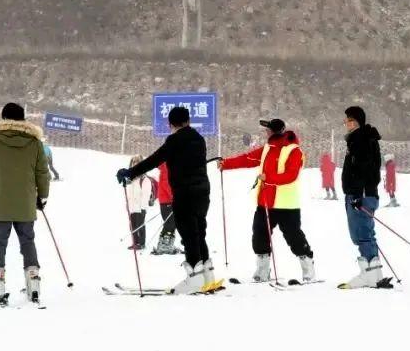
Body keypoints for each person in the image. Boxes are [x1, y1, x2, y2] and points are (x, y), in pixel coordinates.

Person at [117, 106, 214, 294]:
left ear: (170, 124)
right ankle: (207, 274)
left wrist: (130, 173)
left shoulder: (174, 140)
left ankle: (195, 277)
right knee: (199, 231)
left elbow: (154, 159)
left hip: (184, 193)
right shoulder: (199, 139)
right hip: (203, 192)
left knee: (189, 234)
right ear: (188, 121)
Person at [219, 119, 315, 283]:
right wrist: (226, 164)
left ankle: (308, 268)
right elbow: (248, 159)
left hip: (286, 204)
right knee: (259, 235)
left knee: (293, 237)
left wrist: (268, 178)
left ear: (275, 132)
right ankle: (263, 270)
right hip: (265, 201)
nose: (266, 132)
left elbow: (291, 175)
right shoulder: (267, 149)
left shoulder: (294, 151)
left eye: (268, 130)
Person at [0, 102, 51, 305]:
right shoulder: (35, 142)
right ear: (23, 120)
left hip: (1, 202)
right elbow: (43, 172)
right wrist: (42, 196)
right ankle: (33, 284)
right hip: (26, 202)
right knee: (28, 241)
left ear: (4, 118)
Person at [340, 106, 385, 288]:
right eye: (345, 120)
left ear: (357, 121)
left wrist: (358, 194)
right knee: (366, 233)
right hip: (364, 193)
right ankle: (375, 273)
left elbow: (364, 169)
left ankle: (369, 275)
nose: (346, 124)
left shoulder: (360, 140)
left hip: (361, 194)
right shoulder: (362, 139)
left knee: (361, 234)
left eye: (349, 120)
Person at [124, 155, 155, 251]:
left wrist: (143, 208)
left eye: (137, 162)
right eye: (133, 162)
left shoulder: (145, 179)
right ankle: (135, 242)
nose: (135, 164)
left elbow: (145, 195)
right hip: (132, 206)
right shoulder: (131, 179)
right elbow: (130, 193)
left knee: (140, 225)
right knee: (132, 225)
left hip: (141, 207)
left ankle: (141, 243)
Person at [151, 162, 181, 255]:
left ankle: (166, 244)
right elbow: (168, 185)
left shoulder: (168, 168)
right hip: (167, 201)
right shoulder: (167, 169)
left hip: (166, 201)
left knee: (170, 223)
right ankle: (165, 246)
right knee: (170, 223)